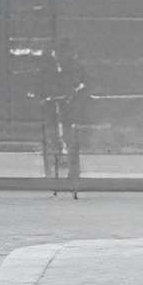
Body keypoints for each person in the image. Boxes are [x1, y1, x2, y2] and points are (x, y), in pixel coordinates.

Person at [28, 42, 90, 194]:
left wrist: (73, 94)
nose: (58, 55)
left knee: (70, 143)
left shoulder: (75, 68)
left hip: (68, 114)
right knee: (52, 143)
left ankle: (73, 177)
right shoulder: (45, 70)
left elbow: (83, 85)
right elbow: (37, 88)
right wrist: (42, 98)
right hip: (51, 114)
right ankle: (52, 177)